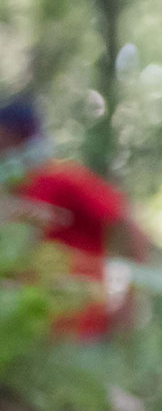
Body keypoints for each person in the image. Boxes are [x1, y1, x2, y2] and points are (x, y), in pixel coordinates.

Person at [1, 94, 151, 339]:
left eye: (2, 139)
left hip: (83, 329)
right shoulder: (15, 191)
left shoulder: (64, 178)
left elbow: (132, 229)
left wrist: (129, 303)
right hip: (32, 331)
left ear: (19, 137)